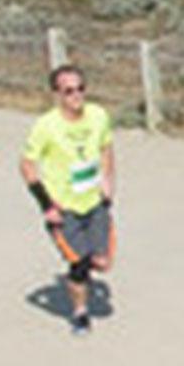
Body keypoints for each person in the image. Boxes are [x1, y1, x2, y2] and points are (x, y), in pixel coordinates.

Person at [19, 63, 114, 334]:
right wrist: (46, 205)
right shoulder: (46, 126)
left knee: (103, 262)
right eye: (69, 91)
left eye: (81, 89)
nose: (76, 96)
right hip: (64, 208)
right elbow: (26, 165)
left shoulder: (98, 116)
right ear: (57, 94)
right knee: (79, 263)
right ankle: (80, 313)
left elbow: (106, 148)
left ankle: (86, 270)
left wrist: (108, 184)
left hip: (94, 202)